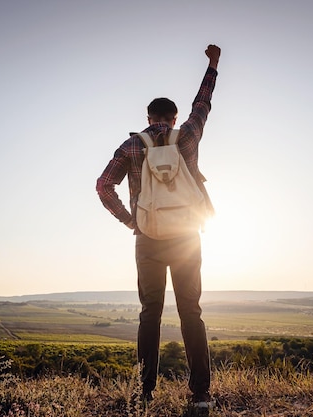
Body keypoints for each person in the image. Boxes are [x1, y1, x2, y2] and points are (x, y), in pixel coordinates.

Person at [96, 44, 221, 409]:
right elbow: (203, 104)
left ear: (149, 116)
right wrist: (213, 65)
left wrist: (130, 220)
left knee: (150, 314)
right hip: (186, 238)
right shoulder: (187, 136)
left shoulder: (133, 146)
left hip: (148, 239)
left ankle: (144, 392)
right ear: (174, 116)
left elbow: (103, 185)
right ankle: (200, 394)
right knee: (191, 312)